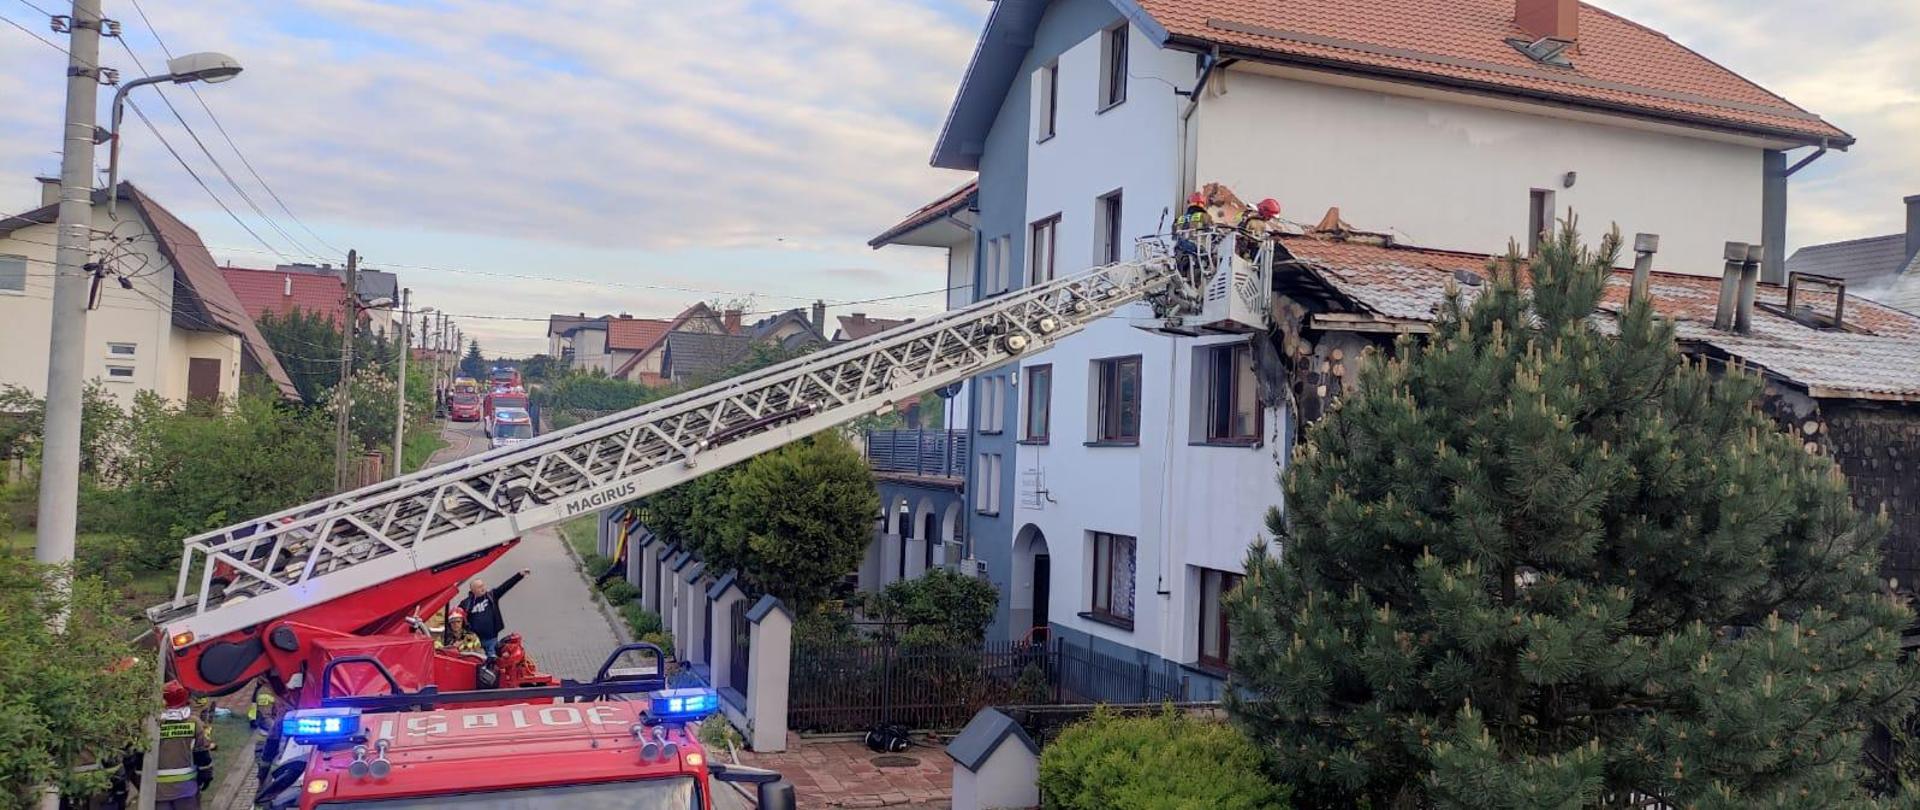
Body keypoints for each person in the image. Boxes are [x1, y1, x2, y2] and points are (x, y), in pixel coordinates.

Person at [154, 681, 213, 810]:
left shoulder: (153, 723)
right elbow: (202, 754)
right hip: (187, 789)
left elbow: (140, 758)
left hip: (158, 791)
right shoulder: (193, 722)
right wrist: (206, 775)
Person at [458, 569, 530, 658]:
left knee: (492, 660)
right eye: (479, 587)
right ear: (473, 590)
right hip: (475, 641)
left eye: (483, 585)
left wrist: (520, 575)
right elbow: (457, 617)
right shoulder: (466, 603)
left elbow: (505, 586)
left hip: (491, 639)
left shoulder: (491, 596)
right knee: (476, 662)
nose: (483, 588)